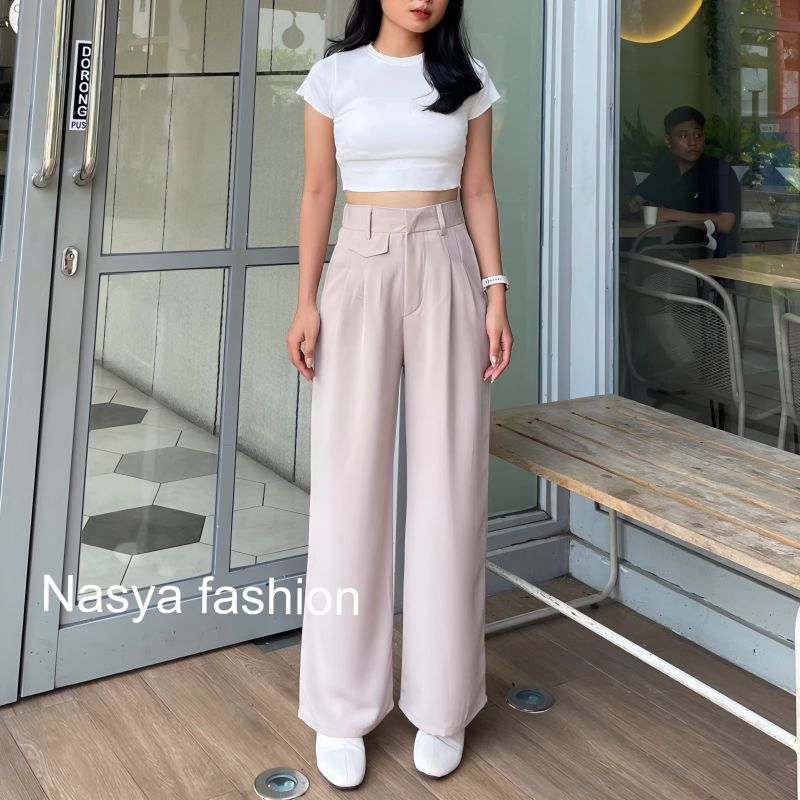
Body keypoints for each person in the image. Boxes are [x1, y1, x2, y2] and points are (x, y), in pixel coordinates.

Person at [285, 0, 511, 789]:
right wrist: (305, 300)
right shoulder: (334, 77)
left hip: (447, 263)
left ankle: (443, 703)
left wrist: (495, 293)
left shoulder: (467, 78)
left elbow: (478, 191)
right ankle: (342, 706)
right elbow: (319, 191)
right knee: (349, 486)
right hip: (359, 264)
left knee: (451, 484)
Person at [626, 105, 741, 258]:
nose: (693, 142)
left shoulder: (718, 171)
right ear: (668, 140)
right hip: (676, 254)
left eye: (698, 135)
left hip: (712, 261)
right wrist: (635, 201)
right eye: (683, 136)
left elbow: (726, 223)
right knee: (631, 261)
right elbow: (639, 197)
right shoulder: (667, 170)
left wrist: (669, 214)